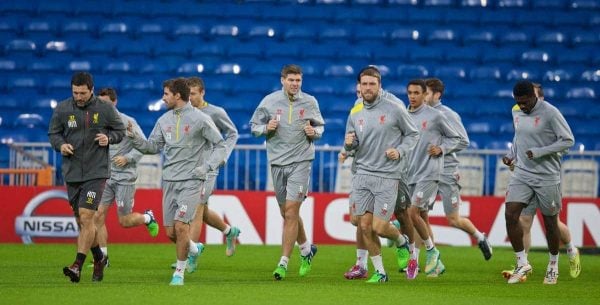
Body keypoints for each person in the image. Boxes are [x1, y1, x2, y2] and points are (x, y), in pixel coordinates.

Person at [128, 77, 227, 285]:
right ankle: (193, 247)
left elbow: (220, 144)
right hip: (170, 181)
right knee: (171, 232)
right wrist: (134, 138)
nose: (163, 98)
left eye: (166, 94)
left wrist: (208, 166)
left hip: (192, 180)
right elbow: (152, 147)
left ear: (177, 95)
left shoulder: (200, 119)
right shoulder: (164, 121)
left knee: (181, 226)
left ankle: (179, 273)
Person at [48, 72, 126, 283]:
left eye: (82, 93)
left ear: (91, 90)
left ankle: (77, 266)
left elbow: (120, 131)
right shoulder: (63, 108)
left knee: (86, 216)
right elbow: (53, 134)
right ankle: (99, 258)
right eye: (75, 93)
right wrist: (61, 145)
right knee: (81, 222)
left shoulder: (105, 108)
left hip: (96, 171)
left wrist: (108, 138)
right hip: (72, 172)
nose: (79, 97)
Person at [344, 66, 419, 283]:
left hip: (387, 175)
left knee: (378, 226)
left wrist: (400, 151)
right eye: (364, 84)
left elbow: (413, 134)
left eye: (372, 84)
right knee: (363, 225)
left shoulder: (394, 107)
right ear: (359, 86)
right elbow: (351, 144)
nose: (368, 88)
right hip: (362, 174)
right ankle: (380, 272)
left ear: (379, 85)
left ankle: (402, 242)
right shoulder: (355, 110)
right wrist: (349, 144)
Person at [250, 64, 324, 280]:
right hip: (277, 162)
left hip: (302, 161)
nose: (295, 84)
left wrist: (314, 132)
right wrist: (266, 129)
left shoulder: (310, 102)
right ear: (282, 80)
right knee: (287, 212)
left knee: (291, 212)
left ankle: (283, 263)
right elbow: (254, 127)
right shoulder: (269, 101)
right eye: (291, 80)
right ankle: (306, 250)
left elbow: (320, 126)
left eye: (298, 80)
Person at [502, 80, 576, 284]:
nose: (522, 106)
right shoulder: (516, 111)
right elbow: (519, 137)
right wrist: (512, 155)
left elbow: (568, 140)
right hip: (522, 173)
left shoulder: (550, 113)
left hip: (547, 176)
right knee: (510, 214)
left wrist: (539, 152)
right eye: (518, 102)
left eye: (525, 102)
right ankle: (521, 262)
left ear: (534, 96)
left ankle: (553, 265)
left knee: (551, 223)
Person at [423, 78, 493, 260]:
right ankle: (430, 258)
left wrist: (442, 149)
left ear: (437, 95)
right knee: (419, 215)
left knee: (453, 219)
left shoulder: (448, 115)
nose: (422, 96)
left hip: (446, 171)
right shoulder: (419, 113)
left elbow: (463, 140)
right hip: (425, 171)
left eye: (426, 93)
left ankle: (480, 237)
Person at [179, 76, 241, 273]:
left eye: (194, 94)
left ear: (203, 93)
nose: (191, 98)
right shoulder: (184, 112)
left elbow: (232, 133)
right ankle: (229, 231)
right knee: (201, 210)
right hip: (189, 167)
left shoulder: (215, 112)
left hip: (209, 168)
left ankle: (191, 255)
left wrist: (223, 156)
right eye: (188, 95)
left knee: (197, 208)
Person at [92, 87, 159, 268]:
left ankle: (148, 218)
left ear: (114, 102)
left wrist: (127, 158)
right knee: (98, 216)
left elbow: (143, 146)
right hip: (105, 176)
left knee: (124, 221)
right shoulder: (97, 122)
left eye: (105, 103)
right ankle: (103, 259)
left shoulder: (128, 122)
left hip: (125, 177)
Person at [405, 79, 462, 278]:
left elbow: (458, 138)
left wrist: (441, 149)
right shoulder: (404, 115)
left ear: (424, 95)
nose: (412, 96)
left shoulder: (436, 116)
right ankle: (421, 259)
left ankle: (431, 252)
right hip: (410, 174)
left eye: (416, 93)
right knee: (417, 217)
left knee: (413, 213)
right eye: (409, 92)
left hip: (429, 172)